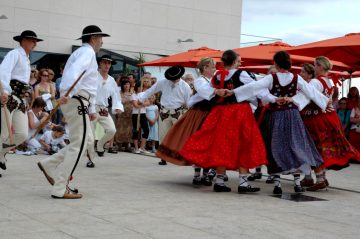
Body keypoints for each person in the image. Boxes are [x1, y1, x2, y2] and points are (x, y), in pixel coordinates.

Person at [231, 51, 328, 194]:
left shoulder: (271, 77)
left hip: (275, 115)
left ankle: (278, 184)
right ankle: (297, 182)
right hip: (292, 115)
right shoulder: (296, 78)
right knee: (295, 144)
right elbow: (310, 92)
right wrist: (295, 100)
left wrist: (234, 92)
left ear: (275, 63)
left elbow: (254, 87)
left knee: (275, 146)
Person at [180, 50, 274, 193]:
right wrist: (271, 99)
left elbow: (206, 91)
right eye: (239, 60)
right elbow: (256, 88)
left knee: (221, 145)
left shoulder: (217, 75)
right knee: (245, 143)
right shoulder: (242, 74)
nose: (240, 62)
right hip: (239, 112)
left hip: (220, 112)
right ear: (235, 61)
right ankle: (243, 184)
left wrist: (192, 101)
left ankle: (219, 182)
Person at [37, 25, 110, 199]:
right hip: (76, 99)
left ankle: (49, 164)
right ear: (93, 38)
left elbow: (87, 82)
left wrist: (91, 108)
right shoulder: (88, 53)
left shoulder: (82, 53)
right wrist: (65, 94)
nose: (102, 41)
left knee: (85, 141)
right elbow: (74, 74)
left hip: (79, 100)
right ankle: (60, 187)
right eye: (100, 38)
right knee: (79, 144)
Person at [300, 56, 360, 191]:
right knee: (322, 147)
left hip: (315, 118)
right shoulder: (328, 82)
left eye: (315, 65)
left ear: (321, 66)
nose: (314, 67)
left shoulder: (315, 82)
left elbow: (308, 98)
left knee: (313, 147)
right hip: (328, 117)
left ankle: (319, 178)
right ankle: (319, 177)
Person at [156, 57, 219, 186]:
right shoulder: (200, 81)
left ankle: (206, 174)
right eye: (213, 67)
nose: (214, 69)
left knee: (208, 144)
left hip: (210, 114)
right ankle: (197, 174)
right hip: (199, 114)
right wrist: (218, 91)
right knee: (198, 143)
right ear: (205, 68)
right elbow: (205, 93)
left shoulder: (212, 80)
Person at [0, 30, 43, 172]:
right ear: (23, 41)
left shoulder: (26, 58)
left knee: (22, 134)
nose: (35, 44)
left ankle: (1, 153)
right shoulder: (14, 54)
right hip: (10, 97)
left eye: (35, 41)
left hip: (21, 100)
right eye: (32, 41)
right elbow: (3, 72)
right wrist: (4, 92)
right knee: (5, 133)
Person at [137, 65, 192, 165]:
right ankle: (163, 157)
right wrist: (141, 98)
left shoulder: (185, 86)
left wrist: (189, 114)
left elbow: (188, 102)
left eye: (174, 78)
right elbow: (151, 90)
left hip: (178, 112)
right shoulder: (163, 82)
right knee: (163, 135)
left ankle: (180, 155)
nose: (172, 80)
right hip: (164, 112)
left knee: (179, 135)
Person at [87, 54, 123, 167]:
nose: (107, 65)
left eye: (109, 63)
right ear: (100, 63)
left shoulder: (112, 80)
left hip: (103, 110)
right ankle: (90, 159)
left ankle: (100, 145)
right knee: (90, 137)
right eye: (105, 62)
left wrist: (117, 106)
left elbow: (116, 95)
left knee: (112, 130)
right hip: (91, 109)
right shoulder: (93, 76)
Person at [114, 78, 133, 151]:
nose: (126, 86)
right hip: (121, 115)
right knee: (120, 129)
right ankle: (118, 145)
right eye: (125, 84)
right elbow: (116, 103)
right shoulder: (119, 94)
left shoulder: (132, 94)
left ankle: (127, 145)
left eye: (128, 84)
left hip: (129, 115)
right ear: (122, 85)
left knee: (129, 130)